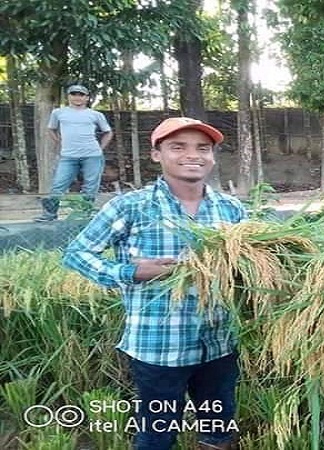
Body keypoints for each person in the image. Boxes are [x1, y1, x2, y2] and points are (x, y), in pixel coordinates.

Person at [63, 117, 247, 450]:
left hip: (219, 344)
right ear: (156, 155)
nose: (193, 155)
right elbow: (76, 254)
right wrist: (131, 273)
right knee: (156, 436)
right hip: (158, 348)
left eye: (202, 148)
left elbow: (252, 266)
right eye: (178, 147)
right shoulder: (130, 207)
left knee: (219, 431)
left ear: (213, 157)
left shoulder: (231, 209)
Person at [35, 84, 114, 221]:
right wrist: (60, 142)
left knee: (90, 187)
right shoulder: (58, 113)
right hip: (68, 156)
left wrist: (100, 148)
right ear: (68, 96)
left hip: (92, 156)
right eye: (74, 94)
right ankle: (50, 214)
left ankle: (84, 215)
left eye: (81, 95)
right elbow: (51, 129)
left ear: (87, 98)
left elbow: (108, 132)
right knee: (58, 185)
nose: (77, 97)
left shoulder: (95, 115)